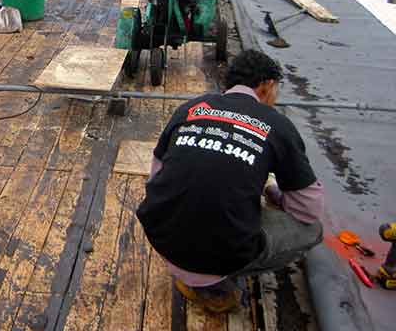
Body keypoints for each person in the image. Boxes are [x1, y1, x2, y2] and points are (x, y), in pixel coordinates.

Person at [137, 49, 324, 314]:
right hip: (219, 255)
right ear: (266, 85)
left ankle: (195, 272)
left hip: (162, 236)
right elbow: (309, 209)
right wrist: (278, 196)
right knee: (312, 229)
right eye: (275, 90)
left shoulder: (191, 108)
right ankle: (212, 285)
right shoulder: (276, 125)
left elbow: (156, 176)